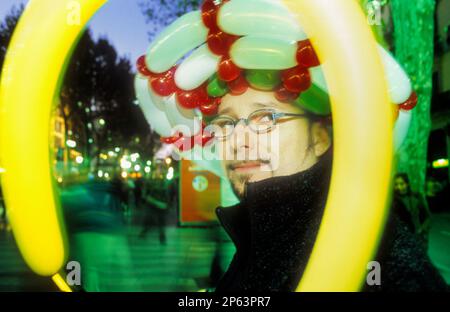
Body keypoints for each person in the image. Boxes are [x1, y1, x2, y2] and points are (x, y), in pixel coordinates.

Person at [135, 0, 447, 291]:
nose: (238, 141)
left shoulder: (382, 261)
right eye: (226, 124)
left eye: (265, 118)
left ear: (320, 137)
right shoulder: (263, 232)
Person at [393, 173, 431, 239]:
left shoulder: (416, 197)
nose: (399, 187)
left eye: (402, 184)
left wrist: (421, 230)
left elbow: (427, 217)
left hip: (416, 236)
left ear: (407, 184)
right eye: (396, 185)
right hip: (399, 238)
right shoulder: (392, 200)